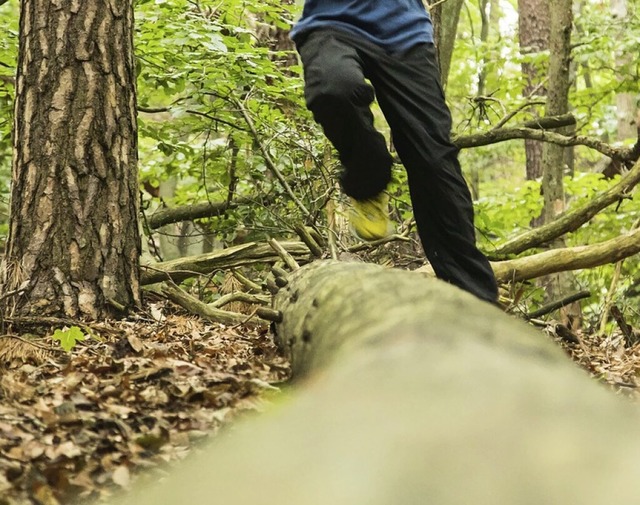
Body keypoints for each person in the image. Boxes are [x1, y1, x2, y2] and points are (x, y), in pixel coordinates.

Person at [290, 0, 498, 304]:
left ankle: (475, 301)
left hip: (404, 32)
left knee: (433, 159)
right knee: (334, 89)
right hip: (330, 24)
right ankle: (369, 179)